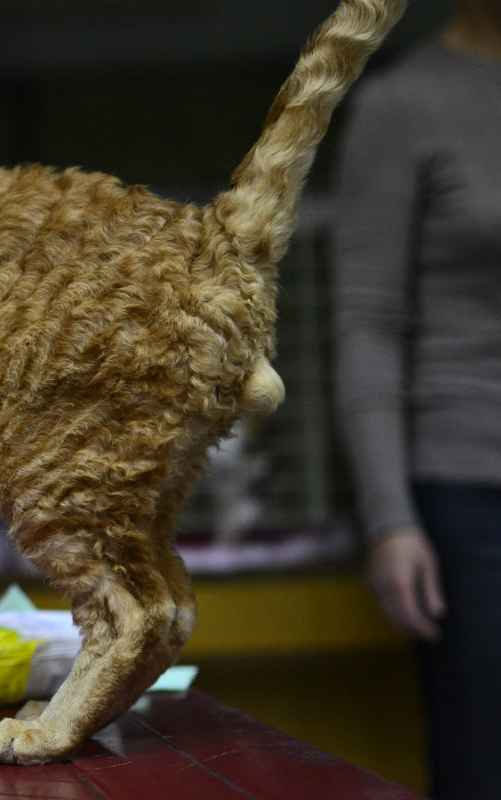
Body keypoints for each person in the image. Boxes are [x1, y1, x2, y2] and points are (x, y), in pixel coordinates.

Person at [331, 1, 501, 796]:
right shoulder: (401, 105)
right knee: (481, 764)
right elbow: (367, 320)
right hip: (468, 491)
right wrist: (391, 518)